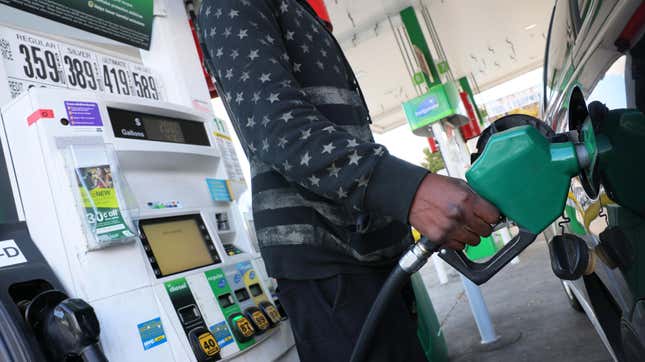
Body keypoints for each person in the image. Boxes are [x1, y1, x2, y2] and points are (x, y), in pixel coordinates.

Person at [198, 1, 500, 361]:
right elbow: (278, 128)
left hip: (367, 253)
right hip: (329, 263)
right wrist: (409, 190)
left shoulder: (298, 10)